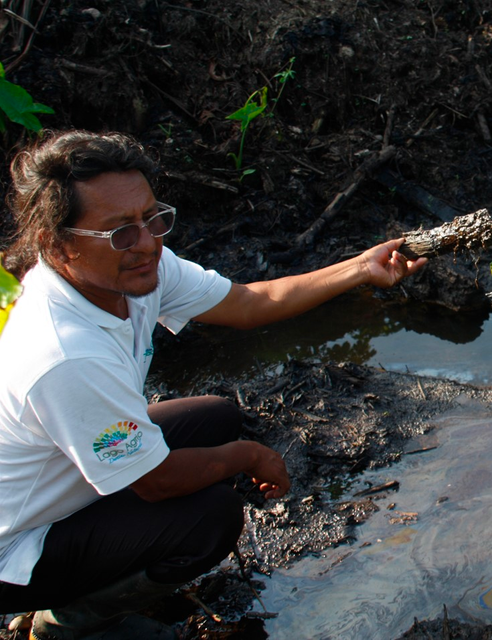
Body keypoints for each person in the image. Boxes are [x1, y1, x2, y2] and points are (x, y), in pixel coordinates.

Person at [0, 130, 426, 640]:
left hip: (68, 481)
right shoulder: (64, 353)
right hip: (17, 549)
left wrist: (361, 267)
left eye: (151, 218)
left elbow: (248, 304)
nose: (148, 243)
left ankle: (100, 581)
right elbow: (154, 481)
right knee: (211, 517)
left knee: (215, 417)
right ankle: (62, 623)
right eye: (119, 233)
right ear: (55, 242)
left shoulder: (130, 272)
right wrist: (249, 456)